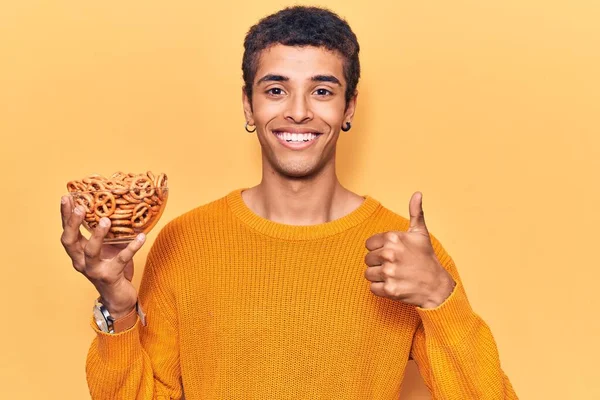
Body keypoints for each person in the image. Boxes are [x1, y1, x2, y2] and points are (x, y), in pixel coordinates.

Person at [60, 6, 518, 399]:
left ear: (349, 107)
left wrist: (440, 297)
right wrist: (118, 308)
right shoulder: (185, 242)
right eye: (275, 89)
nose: (298, 111)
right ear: (247, 104)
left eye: (322, 90)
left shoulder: (406, 254)